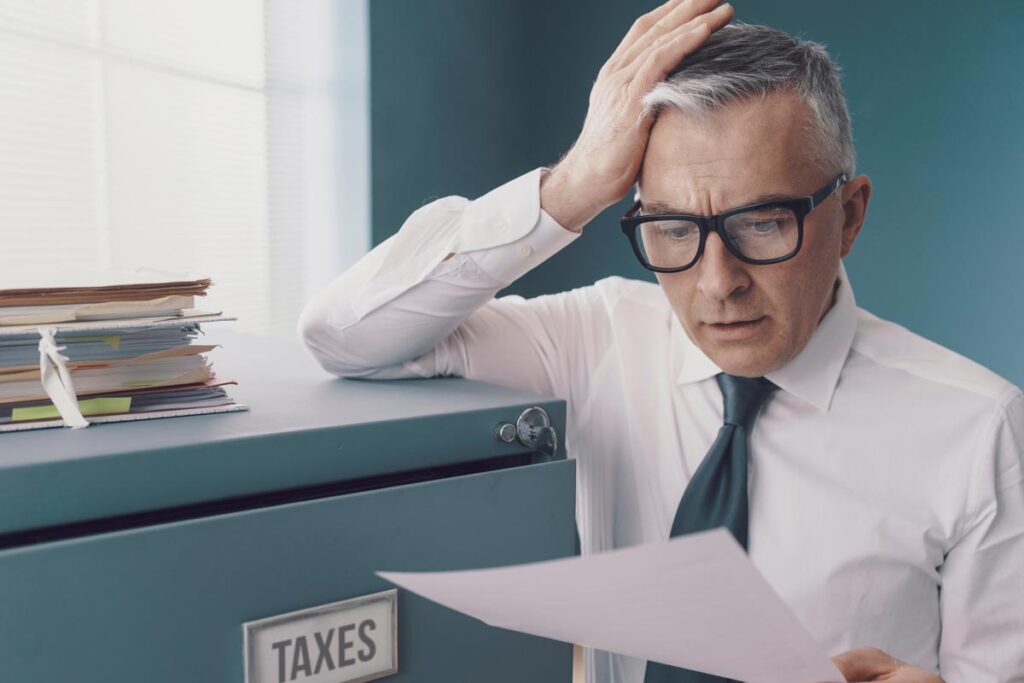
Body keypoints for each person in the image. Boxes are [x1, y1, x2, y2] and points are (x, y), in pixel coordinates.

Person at [298, 1, 1024, 682]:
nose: (717, 282)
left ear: (849, 217)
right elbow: (345, 336)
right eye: (674, 228)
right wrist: (572, 185)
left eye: (763, 222)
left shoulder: (980, 430)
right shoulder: (596, 338)